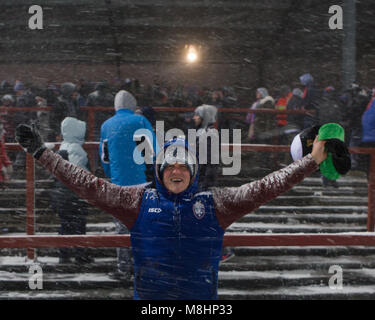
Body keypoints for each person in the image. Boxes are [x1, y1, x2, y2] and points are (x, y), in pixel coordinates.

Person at [15, 124, 327, 300]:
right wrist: (44, 155)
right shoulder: (137, 200)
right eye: (170, 164)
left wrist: (311, 161)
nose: (176, 169)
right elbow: (88, 184)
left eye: (183, 164)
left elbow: (267, 186)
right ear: (160, 170)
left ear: (193, 171)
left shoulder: (216, 202)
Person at [99, 90, 157, 281]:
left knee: (122, 227)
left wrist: (111, 174)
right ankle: (144, 268)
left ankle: (123, 267)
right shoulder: (139, 122)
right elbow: (150, 153)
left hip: (118, 183)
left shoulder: (106, 126)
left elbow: (104, 157)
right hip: (141, 182)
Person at [49, 117, 93, 264]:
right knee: (79, 225)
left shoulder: (64, 146)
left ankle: (64, 253)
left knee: (65, 224)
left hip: (62, 195)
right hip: (74, 195)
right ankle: (80, 254)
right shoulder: (76, 149)